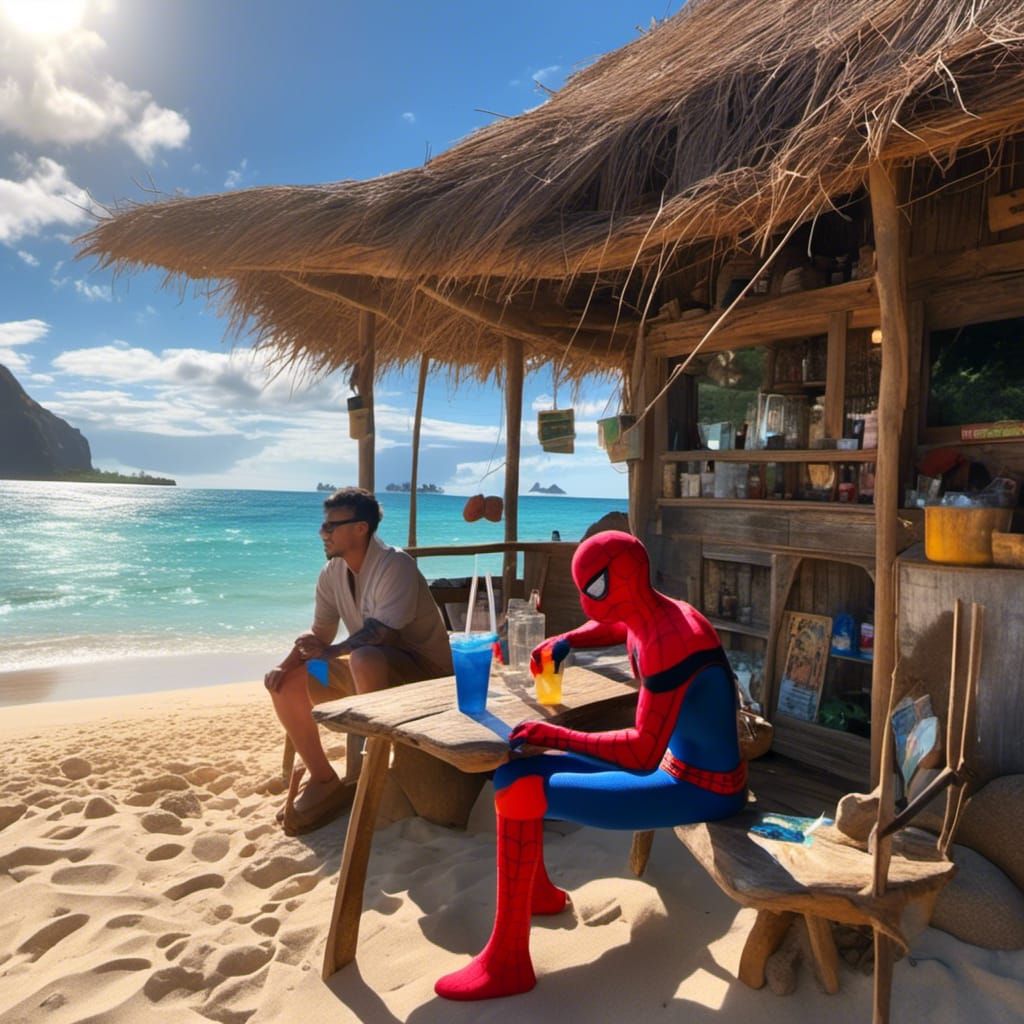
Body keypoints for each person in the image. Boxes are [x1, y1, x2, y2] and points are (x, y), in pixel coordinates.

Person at [435, 530, 746, 1000]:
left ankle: (508, 962)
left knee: (522, 790)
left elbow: (641, 755)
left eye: (594, 589)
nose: (584, 601)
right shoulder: (657, 612)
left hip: (702, 787)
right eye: (579, 588)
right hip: (672, 766)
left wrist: (554, 734)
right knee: (511, 773)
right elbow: (620, 626)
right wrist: (566, 639)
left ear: (628, 579)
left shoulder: (672, 639)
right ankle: (536, 893)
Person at [265, 487, 452, 833]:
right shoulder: (332, 573)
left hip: (425, 677)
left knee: (364, 657)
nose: (323, 533)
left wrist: (332, 651)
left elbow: (383, 633)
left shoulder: (394, 565)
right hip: (363, 674)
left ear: (360, 529)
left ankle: (371, 772)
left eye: (330, 527)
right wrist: (286, 663)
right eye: (323, 526)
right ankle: (325, 781)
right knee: (289, 684)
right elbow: (320, 634)